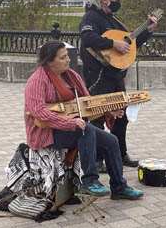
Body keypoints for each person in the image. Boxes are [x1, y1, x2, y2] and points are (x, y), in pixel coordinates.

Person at [25, 41, 144, 200]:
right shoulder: (37, 80)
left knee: (111, 140)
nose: (68, 60)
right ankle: (89, 181)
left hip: (74, 127)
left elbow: (87, 103)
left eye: (67, 56)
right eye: (62, 58)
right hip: (48, 132)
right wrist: (70, 123)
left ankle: (119, 187)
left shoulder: (71, 75)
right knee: (85, 130)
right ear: (49, 61)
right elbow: (39, 112)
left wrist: (108, 111)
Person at [79, 0, 159, 168]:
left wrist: (147, 31)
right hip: (98, 76)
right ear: (104, 0)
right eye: (116, 0)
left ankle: (120, 154)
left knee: (121, 117)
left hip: (115, 75)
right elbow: (87, 38)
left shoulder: (113, 20)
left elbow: (128, 45)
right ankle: (97, 160)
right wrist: (112, 44)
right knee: (97, 117)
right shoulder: (91, 17)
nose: (118, 3)